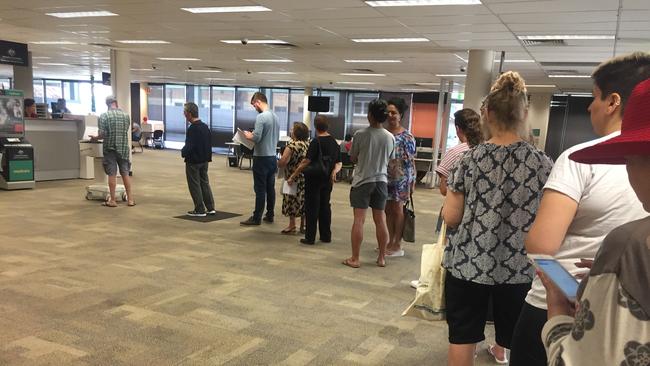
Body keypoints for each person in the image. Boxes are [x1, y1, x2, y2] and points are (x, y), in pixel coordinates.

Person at [510, 52, 650, 366]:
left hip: (563, 302)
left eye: (594, 97)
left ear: (614, 101)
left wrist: (569, 292)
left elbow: (541, 247)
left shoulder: (578, 159)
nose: (589, 106)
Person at [441, 71, 553, 366]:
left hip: (468, 264)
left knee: (463, 336)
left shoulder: (469, 158)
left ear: (487, 113)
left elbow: (451, 217)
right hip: (519, 269)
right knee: (518, 340)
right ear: (525, 113)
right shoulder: (542, 163)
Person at [342, 99, 395, 268]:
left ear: (370, 115)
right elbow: (392, 162)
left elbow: (353, 157)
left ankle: (355, 259)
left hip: (363, 181)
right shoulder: (390, 137)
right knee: (381, 219)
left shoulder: (360, 134)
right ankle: (381, 258)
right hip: (381, 181)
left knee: (359, 220)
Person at [288, 115, 342, 245]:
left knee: (312, 207)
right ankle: (325, 236)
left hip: (313, 178)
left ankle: (310, 237)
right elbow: (339, 162)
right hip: (327, 179)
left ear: (315, 126)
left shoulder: (315, 142)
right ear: (327, 126)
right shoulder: (334, 142)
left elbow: (306, 161)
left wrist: (293, 175)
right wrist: (334, 171)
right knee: (325, 206)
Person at [240, 92, 280, 226]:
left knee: (260, 189)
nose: (254, 108)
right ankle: (270, 214)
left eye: (253, 105)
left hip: (261, 158)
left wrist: (247, 135)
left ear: (258, 102)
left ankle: (256, 217)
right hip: (272, 157)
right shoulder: (276, 117)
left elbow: (256, 138)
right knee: (270, 188)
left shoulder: (261, 117)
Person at [384, 98, 416, 257]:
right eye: (388, 112)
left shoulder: (406, 136)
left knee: (397, 209)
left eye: (394, 112)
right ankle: (389, 240)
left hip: (401, 178)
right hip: (384, 177)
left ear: (400, 115)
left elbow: (411, 161)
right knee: (387, 210)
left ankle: (397, 243)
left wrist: (412, 182)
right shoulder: (383, 133)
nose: (390, 115)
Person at [90, 96, 134, 207]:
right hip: (123, 148)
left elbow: (103, 134)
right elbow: (126, 130)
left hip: (110, 148)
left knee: (112, 174)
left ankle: (113, 200)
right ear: (116, 103)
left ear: (107, 104)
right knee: (125, 173)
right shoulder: (126, 116)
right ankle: (130, 200)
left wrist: (95, 138)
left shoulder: (104, 116)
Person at [435, 109, 483, 196]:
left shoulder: (454, 153)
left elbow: (444, 189)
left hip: (457, 205)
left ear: (457, 128)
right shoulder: (485, 150)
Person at [181, 102, 215, 217]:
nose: (184, 114)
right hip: (204, 161)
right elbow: (208, 144)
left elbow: (189, 146)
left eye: (185, 112)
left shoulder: (192, 129)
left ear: (189, 114)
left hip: (193, 161)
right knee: (205, 183)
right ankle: (210, 207)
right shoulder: (205, 127)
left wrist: (183, 152)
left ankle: (200, 209)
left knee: (194, 185)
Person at [278, 122, 310, 234]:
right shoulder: (308, 144)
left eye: (292, 129)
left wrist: (277, 161)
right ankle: (304, 225)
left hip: (292, 177)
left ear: (296, 132)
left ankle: (292, 225)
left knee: (291, 201)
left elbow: (283, 162)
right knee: (303, 200)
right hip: (304, 177)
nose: (291, 131)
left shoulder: (291, 146)